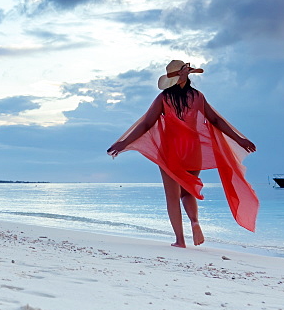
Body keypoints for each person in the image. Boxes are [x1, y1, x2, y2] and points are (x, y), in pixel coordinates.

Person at [107, 60, 259, 247]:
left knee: (172, 197)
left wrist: (123, 143)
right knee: (188, 192)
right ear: (186, 75)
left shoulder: (164, 98)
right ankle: (194, 222)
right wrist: (239, 139)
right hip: (193, 150)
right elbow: (216, 120)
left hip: (171, 150)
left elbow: (147, 124)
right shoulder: (197, 96)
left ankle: (180, 240)